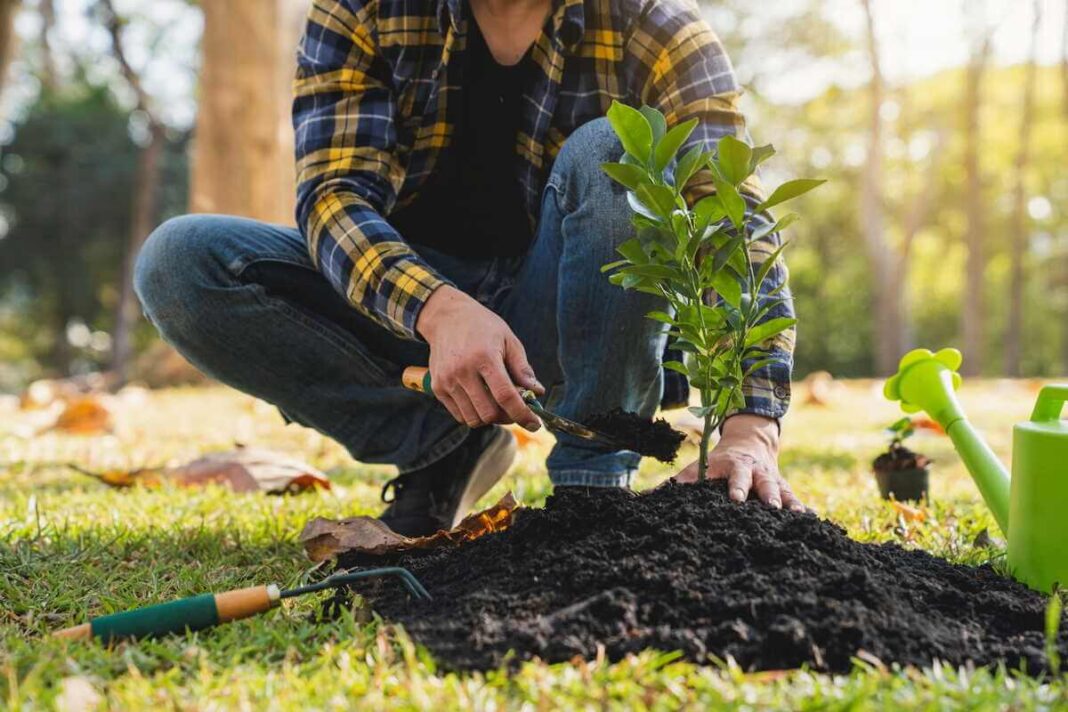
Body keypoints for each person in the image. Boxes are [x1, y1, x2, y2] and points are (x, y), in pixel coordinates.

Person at [134, 0, 803, 538]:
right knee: (181, 262)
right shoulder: (361, 12)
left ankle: (594, 492)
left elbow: (730, 223)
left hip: (579, 317)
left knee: (614, 143)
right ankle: (442, 448)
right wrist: (442, 309)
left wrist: (748, 425)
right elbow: (334, 200)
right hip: (418, 315)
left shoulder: (658, 27)